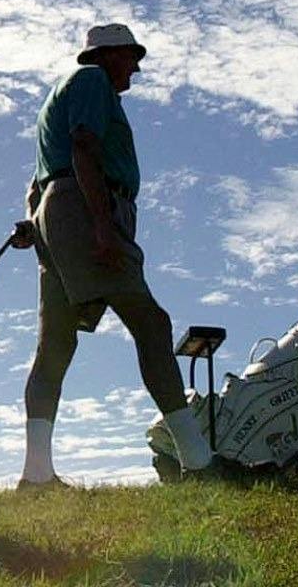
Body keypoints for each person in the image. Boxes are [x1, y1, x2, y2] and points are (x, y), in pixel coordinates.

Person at [17, 24, 216, 488]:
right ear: (107, 55)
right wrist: (103, 226)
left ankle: (36, 475)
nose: (136, 68)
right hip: (88, 209)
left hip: (60, 212)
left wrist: (35, 223)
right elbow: (84, 147)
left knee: (55, 346)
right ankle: (199, 463)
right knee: (152, 324)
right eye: (131, 57)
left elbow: (39, 183)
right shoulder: (92, 82)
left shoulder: (61, 93)